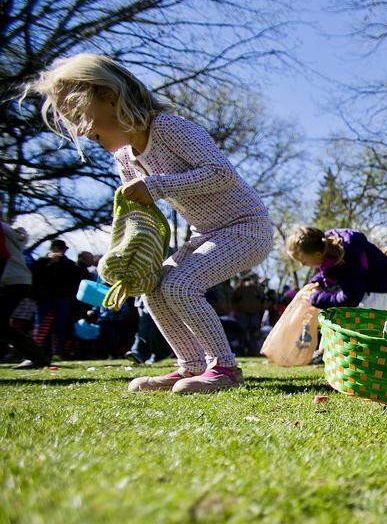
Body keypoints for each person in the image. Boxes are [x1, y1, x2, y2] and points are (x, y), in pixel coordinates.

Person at [24, 53, 274, 393]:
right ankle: (191, 366)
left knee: (180, 286)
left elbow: (221, 175)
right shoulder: (125, 159)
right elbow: (141, 216)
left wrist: (155, 186)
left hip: (246, 227)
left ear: (110, 97)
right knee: (153, 288)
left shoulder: (169, 128)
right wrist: (130, 255)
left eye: (80, 115)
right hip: (207, 234)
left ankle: (225, 368)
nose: (81, 130)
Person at [286, 227, 387, 310]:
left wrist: (316, 298)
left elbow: (351, 298)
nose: (301, 264)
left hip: (377, 293)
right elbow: (327, 270)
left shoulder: (348, 259)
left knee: (361, 334)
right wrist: (317, 282)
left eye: (303, 261)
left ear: (318, 254)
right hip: (366, 290)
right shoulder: (327, 246)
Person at [29, 239, 83, 365]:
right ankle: (40, 352)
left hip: (62, 298)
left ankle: (57, 352)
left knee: (60, 326)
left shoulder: (69, 264)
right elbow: (36, 278)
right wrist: (50, 262)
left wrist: (60, 263)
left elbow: (74, 280)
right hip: (44, 298)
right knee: (41, 326)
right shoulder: (41, 262)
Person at [1, 222, 45, 368]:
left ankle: (37, 356)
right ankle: (37, 356)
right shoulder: (8, 230)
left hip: (9, 279)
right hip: (17, 278)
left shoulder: (3, 230)